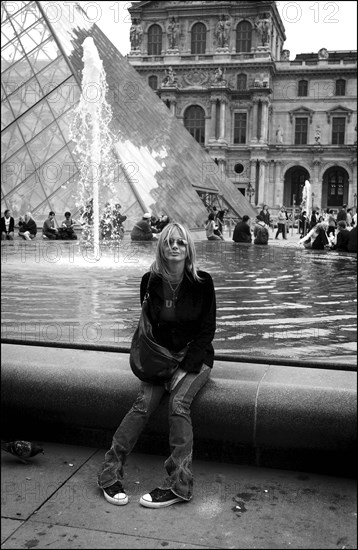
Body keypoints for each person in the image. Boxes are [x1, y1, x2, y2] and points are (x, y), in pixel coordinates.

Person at [97, 222, 216, 508]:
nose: (174, 246)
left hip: (195, 358)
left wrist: (185, 368)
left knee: (178, 405)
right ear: (161, 247)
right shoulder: (149, 281)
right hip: (160, 359)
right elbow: (150, 330)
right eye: (168, 242)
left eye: (180, 243)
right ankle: (109, 472)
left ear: (189, 250)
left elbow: (206, 331)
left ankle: (179, 484)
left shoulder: (203, 282)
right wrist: (163, 367)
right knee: (142, 404)